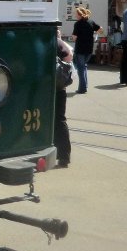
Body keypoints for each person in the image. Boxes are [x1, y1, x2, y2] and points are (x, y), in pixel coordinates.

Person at [71, 6, 100, 94]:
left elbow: (74, 37)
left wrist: (75, 38)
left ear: (80, 15)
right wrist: (95, 35)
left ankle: (82, 88)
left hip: (80, 48)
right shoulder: (91, 22)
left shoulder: (78, 24)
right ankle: (85, 85)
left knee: (80, 68)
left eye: (76, 14)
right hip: (89, 48)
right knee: (84, 66)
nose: (75, 16)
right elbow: (100, 29)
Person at [55, 32, 73, 168]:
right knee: (60, 119)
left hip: (49, 87)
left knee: (55, 119)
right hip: (60, 86)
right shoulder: (60, 43)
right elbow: (69, 56)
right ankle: (64, 156)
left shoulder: (53, 41)